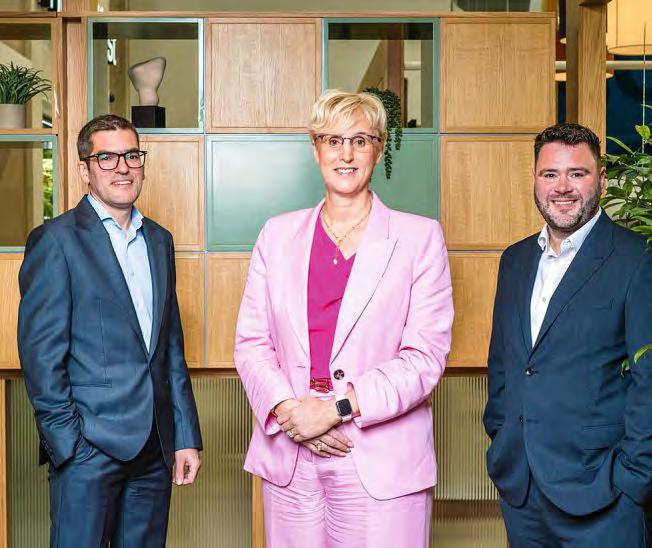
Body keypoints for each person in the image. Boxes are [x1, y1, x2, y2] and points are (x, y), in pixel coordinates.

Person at [234, 89, 454, 547]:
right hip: (291, 452)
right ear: (316, 149)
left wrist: (335, 410)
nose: (346, 154)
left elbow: (424, 358)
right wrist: (292, 414)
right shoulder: (276, 236)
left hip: (378, 458)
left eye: (360, 140)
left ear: (379, 148)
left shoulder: (419, 239)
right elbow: (252, 343)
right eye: (333, 140)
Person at [483, 122, 652, 546]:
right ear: (535, 179)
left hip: (606, 497)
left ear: (602, 179)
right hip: (523, 492)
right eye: (550, 174)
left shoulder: (643, 259)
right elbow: (504, 363)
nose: (562, 187)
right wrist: (501, 437)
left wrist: (633, 479)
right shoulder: (514, 261)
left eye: (577, 173)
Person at [17, 114, 203, 547]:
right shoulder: (56, 241)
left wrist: (184, 436)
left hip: (154, 450)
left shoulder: (159, 240)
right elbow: (41, 358)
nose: (123, 167)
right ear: (85, 169)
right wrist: (68, 445)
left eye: (132, 156)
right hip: (88, 449)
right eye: (107, 157)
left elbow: (169, 348)